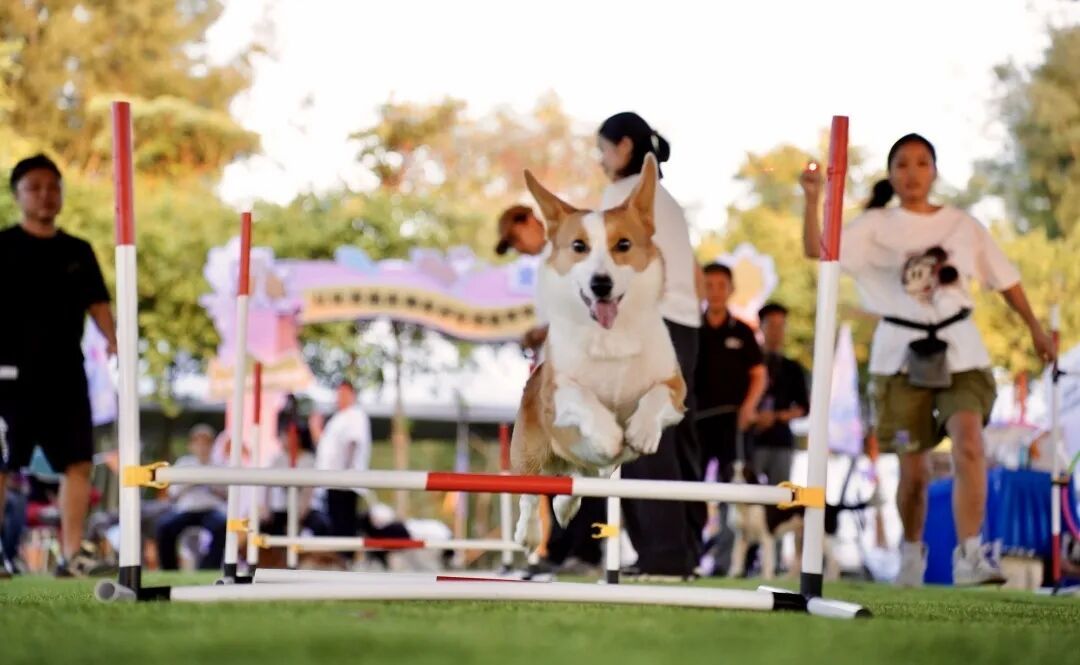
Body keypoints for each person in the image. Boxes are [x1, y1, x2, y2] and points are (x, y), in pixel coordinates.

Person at [800, 133, 1055, 587]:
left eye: (921, 163)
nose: (912, 173)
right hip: (899, 357)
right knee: (913, 468)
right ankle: (911, 553)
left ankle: (970, 553)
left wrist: (1035, 328)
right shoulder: (874, 224)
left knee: (969, 441)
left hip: (960, 351)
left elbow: (1005, 279)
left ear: (934, 171)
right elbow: (818, 249)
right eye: (902, 164)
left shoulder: (962, 224)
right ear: (891, 173)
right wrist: (813, 197)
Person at [596, 111, 704, 577]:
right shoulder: (669, 200)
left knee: (641, 441)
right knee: (668, 443)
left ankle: (664, 555)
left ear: (623, 148)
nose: (600, 160)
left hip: (651, 324)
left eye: (602, 149)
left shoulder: (622, 193)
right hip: (685, 328)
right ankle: (674, 552)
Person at [0, 154, 118, 578]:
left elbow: (99, 306)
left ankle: (71, 558)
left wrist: (116, 340)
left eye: (54, 187)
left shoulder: (78, 251)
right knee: (2, 463)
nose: (46, 195)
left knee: (78, 463)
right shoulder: (4, 247)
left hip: (66, 376)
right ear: (18, 195)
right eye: (35, 187)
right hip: (9, 375)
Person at [495, 203, 604, 574]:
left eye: (514, 237)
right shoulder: (545, 263)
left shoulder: (569, 251)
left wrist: (543, 331)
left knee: (583, 455)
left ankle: (585, 551)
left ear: (530, 221)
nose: (517, 247)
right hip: (554, 366)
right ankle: (558, 549)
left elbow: (586, 304)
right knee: (556, 457)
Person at [695, 263, 767, 480]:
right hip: (697, 420)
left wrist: (748, 408)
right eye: (709, 286)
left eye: (721, 286)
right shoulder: (691, 328)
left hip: (733, 422)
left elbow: (759, 375)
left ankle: (730, 516)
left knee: (734, 480)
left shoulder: (743, 331)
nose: (715, 292)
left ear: (731, 289)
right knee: (692, 480)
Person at [749, 302, 809, 485]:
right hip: (751, 440)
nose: (776, 331)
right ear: (761, 326)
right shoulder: (749, 362)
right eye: (771, 325)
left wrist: (776, 416)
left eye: (781, 325)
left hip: (781, 441)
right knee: (747, 494)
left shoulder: (792, 368)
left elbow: (803, 407)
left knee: (779, 498)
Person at [155, 425, 227, 571]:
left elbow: (226, 494)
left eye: (205, 443)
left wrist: (209, 483)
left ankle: (208, 568)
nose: (202, 447)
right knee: (164, 526)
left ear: (211, 445)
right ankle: (169, 569)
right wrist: (190, 480)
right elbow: (172, 493)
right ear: (191, 445)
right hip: (186, 509)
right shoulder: (183, 463)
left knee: (222, 526)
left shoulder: (219, 465)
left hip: (210, 509)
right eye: (198, 443)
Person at [315, 380, 373, 561]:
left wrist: (345, 472)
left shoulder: (355, 415)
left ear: (352, 395)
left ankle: (344, 561)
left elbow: (353, 443)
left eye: (344, 393)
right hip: (333, 482)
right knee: (336, 526)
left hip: (344, 483)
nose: (340, 397)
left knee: (343, 527)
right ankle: (340, 560)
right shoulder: (338, 418)